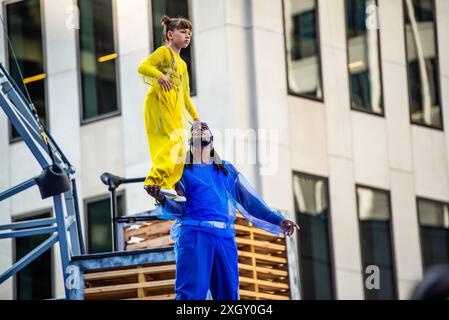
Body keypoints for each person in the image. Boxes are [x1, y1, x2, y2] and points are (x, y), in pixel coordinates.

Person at [146, 122, 300, 300]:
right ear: (190, 142)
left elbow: (250, 202)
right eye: (195, 129)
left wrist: (277, 220)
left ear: (212, 140)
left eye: (204, 127)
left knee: (229, 296)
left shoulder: (226, 170)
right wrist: (162, 198)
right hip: (194, 234)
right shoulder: (181, 171)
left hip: (224, 236)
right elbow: (178, 207)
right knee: (191, 295)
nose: (200, 128)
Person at [138, 15, 200, 201]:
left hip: (172, 107)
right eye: (183, 32)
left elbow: (185, 96)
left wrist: (196, 118)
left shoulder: (182, 64)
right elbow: (143, 67)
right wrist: (159, 76)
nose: (187, 36)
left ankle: (167, 185)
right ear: (171, 34)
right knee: (170, 143)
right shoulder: (164, 52)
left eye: (189, 33)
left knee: (180, 148)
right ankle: (154, 180)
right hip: (158, 102)